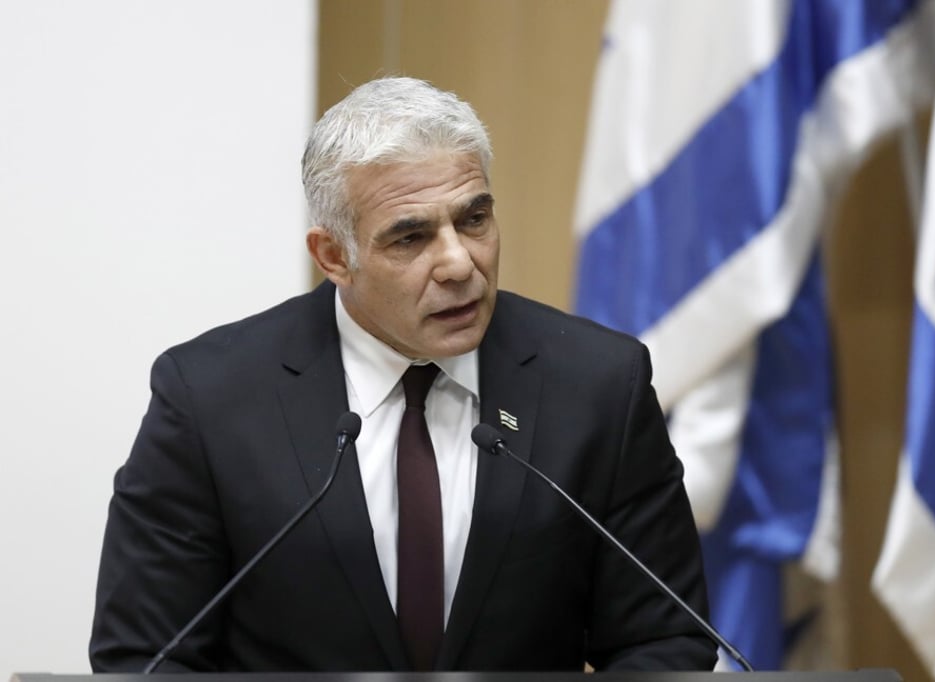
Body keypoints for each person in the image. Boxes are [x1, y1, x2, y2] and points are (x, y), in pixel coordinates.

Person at [89, 76, 717, 672]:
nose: (458, 263)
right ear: (335, 255)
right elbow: (146, 655)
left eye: (473, 219)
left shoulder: (601, 384)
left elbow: (663, 637)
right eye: (410, 238)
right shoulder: (208, 399)